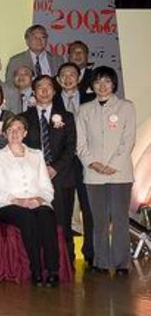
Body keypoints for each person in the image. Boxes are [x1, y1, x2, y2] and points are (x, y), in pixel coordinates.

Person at [76, 66, 136, 275]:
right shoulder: (84, 110)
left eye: (107, 81)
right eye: (98, 82)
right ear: (92, 85)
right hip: (93, 174)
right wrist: (93, 163)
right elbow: (80, 143)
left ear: (114, 84)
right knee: (98, 219)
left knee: (119, 218)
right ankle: (101, 261)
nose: (102, 86)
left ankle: (121, 263)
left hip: (120, 173)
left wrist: (113, 165)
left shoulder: (126, 107)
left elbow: (128, 140)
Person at [0, 115, 59, 287]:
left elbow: (46, 186)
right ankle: (36, 270)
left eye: (19, 129)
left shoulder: (36, 154)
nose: (15, 133)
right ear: (4, 134)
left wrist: (39, 199)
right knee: (27, 218)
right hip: (9, 204)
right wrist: (19, 201)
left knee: (46, 215)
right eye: (10, 130)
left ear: (25, 133)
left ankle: (53, 270)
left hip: (36, 201)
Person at [21, 76, 77, 263]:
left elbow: (70, 148)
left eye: (48, 87)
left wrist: (54, 168)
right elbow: (21, 148)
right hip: (34, 179)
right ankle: (42, 263)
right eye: (39, 87)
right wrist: (38, 169)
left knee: (63, 223)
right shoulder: (24, 117)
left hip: (60, 177)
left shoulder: (67, 117)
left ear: (55, 91)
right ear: (33, 92)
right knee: (39, 222)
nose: (44, 91)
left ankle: (66, 264)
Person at [55, 62, 95, 264]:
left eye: (72, 74)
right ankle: (67, 255)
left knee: (89, 208)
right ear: (57, 80)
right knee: (64, 211)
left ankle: (91, 253)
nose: (68, 78)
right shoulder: (51, 102)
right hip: (64, 164)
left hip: (87, 162)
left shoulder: (92, 99)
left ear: (79, 78)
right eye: (63, 75)